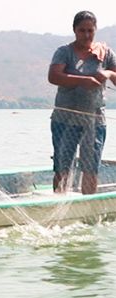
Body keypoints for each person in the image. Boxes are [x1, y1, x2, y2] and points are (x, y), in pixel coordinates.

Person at [48, 11, 116, 194]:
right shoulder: (64, 52)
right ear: (74, 30)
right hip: (65, 117)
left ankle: (87, 207)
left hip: (94, 119)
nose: (86, 35)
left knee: (91, 166)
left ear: (95, 31)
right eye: (82, 30)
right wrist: (81, 80)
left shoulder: (105, 53)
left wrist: (108, 74)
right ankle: (59, 201)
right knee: (62, 165)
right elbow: (54, 76)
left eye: (90, 31)